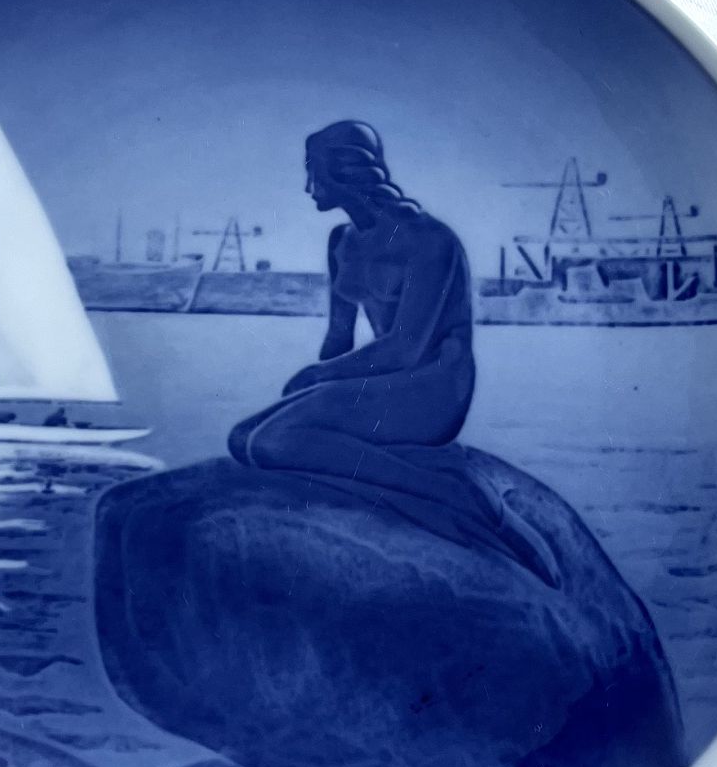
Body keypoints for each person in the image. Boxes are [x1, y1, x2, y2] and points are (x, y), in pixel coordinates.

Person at [228, 121, 557, 580]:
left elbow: (406, 347)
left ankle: (451, 491)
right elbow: (338, 338)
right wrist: (309, 391)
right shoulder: (340, 242)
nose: (307, 186)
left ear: (344, 169)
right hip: (380, 383)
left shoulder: (430, 240)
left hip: (433, 387)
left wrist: (319, 380)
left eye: (312, 170)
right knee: (243, 437)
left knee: (274, 440)